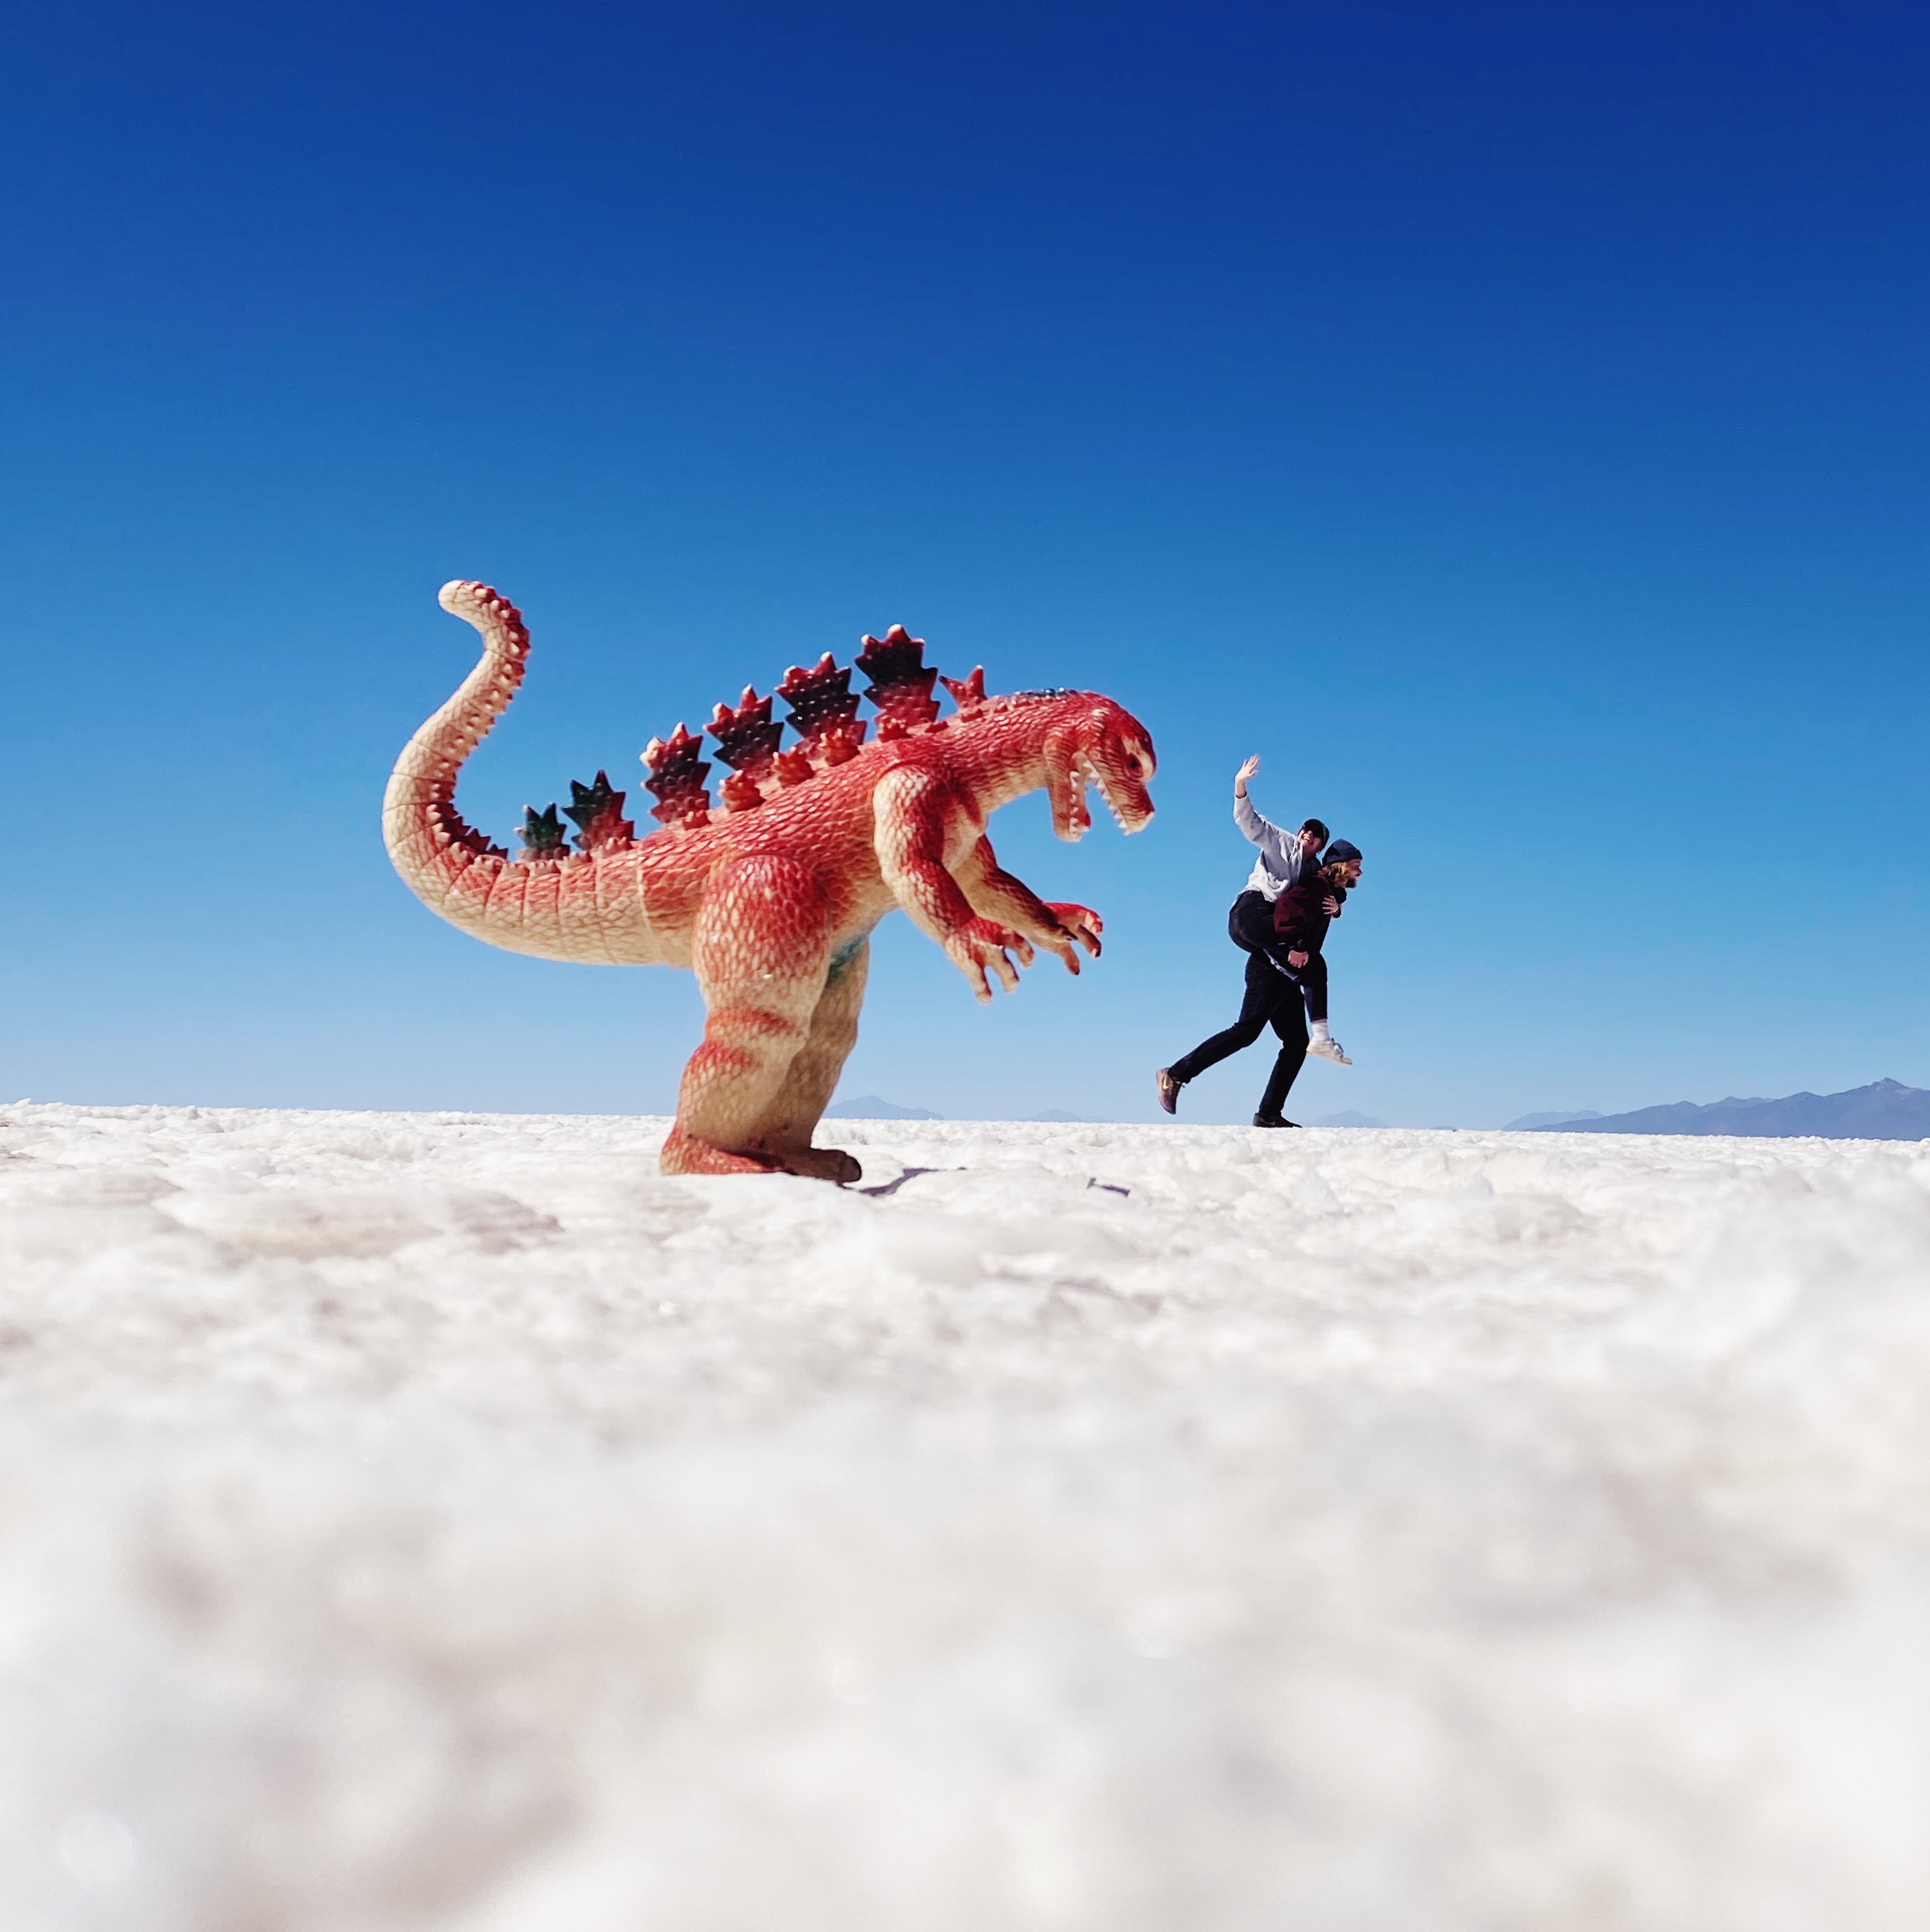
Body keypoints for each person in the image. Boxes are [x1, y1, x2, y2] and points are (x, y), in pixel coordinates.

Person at [1155, 755, 1364, 1127]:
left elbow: (1327, 889)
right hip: (1259, 927)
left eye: (1315, 834)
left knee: (1293, 1044)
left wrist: (1339, 905)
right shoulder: (1286, 848)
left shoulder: (1315, 876)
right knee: (1248, 1030)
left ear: (1321, 847)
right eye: (1305, 829)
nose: (1306, 835)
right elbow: (1252, 825)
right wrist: (1240, 786)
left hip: (1282, 964)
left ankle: (1269, 1113)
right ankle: (1176, 1073)